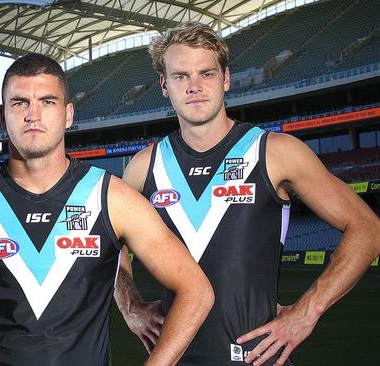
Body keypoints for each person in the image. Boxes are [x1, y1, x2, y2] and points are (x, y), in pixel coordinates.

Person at [0, 53, 214, 366]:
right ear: (3, 116)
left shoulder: (112, 199)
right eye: (19, 103)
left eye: (47, 101)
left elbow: (196, 290)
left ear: (68, 114)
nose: (33, 115)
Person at [114, 21, 380, 366]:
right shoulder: (143, 166)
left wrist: (307, 310)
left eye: (206, 74)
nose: (194, 87)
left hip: (257, 359)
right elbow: (107, 242)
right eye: (181, 76)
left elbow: (367, 227)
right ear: (165, 85)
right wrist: (130, 305)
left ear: (226, 79)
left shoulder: (275, 152)